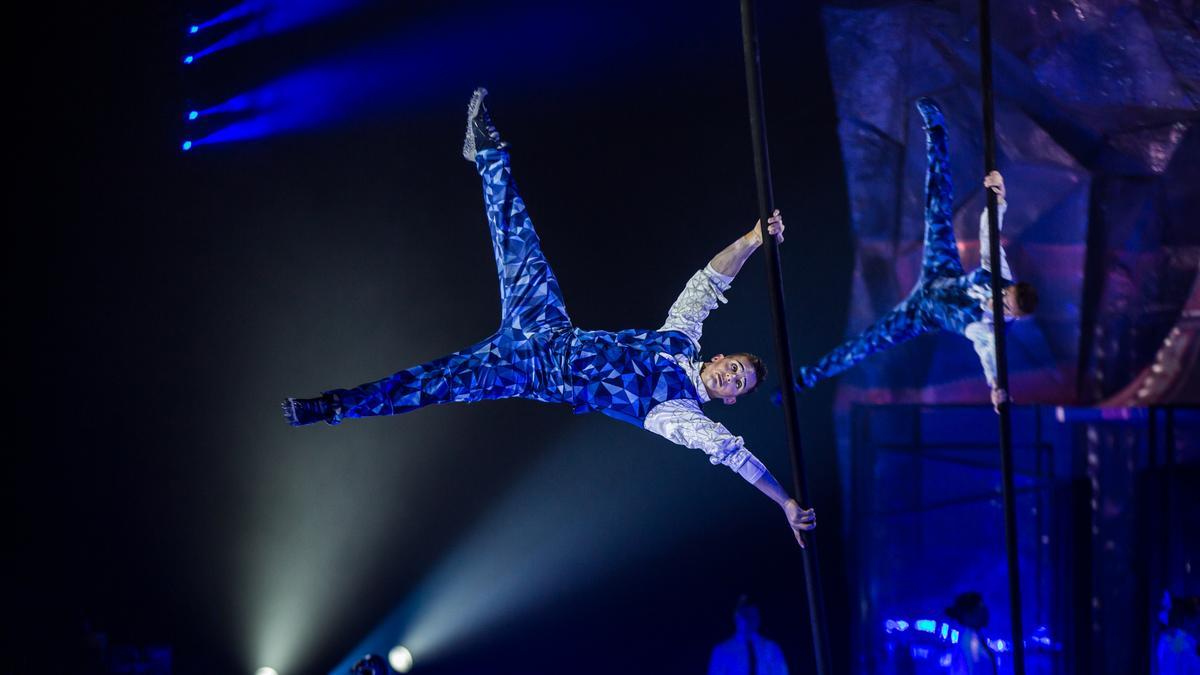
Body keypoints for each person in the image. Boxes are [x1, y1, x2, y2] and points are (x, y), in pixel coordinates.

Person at [281, 88, 816, 547]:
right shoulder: (680, 338)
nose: (730, 377)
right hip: (546, 324)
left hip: (525, 371)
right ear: (720, 357)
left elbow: (729, 453)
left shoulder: (674, 412)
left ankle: (333, 407)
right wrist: (752, 239)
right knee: (518, 238)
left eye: (736, 386)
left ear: (726, 400)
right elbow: (708, 282)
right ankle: (487, 151)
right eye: (736, 368)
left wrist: (784, 502)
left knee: (426, 386)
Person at [789, 98, 1038, 411]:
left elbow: (991, 361)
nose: (999, 301)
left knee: (865, 345)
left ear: (1013, 315)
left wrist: (998, 389)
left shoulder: (991, 331)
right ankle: (936, 131)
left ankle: (804, 379)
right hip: (942, 272)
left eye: (1006, 307)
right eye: (1005, 296)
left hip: (922, 313)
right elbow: (989, 236)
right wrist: (998, 199)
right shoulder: (1000, 277)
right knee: (936, 208)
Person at [707, 594, 789, 675]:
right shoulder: (722, 651)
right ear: (735, 616)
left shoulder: (771, 648)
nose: (749, 618)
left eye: (753, 613)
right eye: (745, 613)